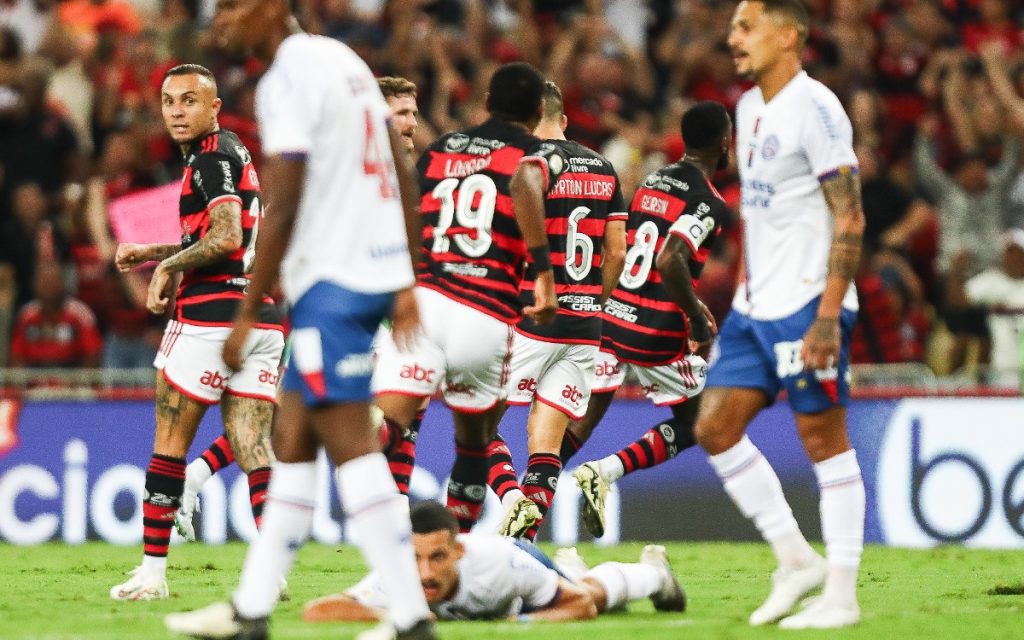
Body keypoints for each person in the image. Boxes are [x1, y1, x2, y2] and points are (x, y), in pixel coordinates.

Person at [165, 2, 434, 639]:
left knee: (352, 448)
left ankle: (412, 618)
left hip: (331, 284)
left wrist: (246, 312)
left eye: (233, 6)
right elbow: (400, 166)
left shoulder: (285, 77)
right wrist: (405, 272)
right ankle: (252, 611)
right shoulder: (344, 61)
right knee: (293, 443)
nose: (222, 20)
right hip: (367, 275)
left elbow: (281, 202)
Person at [175, 75, 425, 540]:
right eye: (400, 113)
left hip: (390, 313)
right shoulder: (347, 172)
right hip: (339, 311)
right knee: (288, 416)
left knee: (403, 418)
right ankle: (201, 480)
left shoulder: (411, 173)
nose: (410, 122)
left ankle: (399, 529)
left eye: (414, 112)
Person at [693, 0, 866, 629]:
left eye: (747, 27)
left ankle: (841, 595)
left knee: (822, 438)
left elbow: (849, 215)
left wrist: (826, 315)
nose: (732, 38)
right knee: (714, 427)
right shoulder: (747, 108)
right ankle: (796, 561)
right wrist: (739, 295)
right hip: (753, 306)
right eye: (734, 27)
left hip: (805, 305)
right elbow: (763, 217)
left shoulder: (817, 108)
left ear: (788, 35)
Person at [108, 63, 282, 602]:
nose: (177, 111)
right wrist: (156, 251)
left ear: (213, 107)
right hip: (262, 318)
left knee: (168, 450)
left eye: (189, 100)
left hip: (209, 318)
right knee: (254, 448)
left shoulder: (209, 157)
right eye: (168, 101)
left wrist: (167, 269)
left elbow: (226, 237)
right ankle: (270, 576)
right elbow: (226, 232)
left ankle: (153, 575)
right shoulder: (232, 154)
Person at [370, 61, 563, 534]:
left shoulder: (443, 148)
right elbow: (524, 182)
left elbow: (411, 213)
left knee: (386, 429)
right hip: (485, 313)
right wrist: (543, 273)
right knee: (475, 445)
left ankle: (327, 459)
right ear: (539, 109)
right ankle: (453, 556)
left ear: (485, 104)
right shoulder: (536, 152)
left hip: (428, 302)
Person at [432, 79, 626, 540]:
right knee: (546, 445)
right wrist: (594, 300)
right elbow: (617, 252)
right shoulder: (603, 167)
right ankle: (522, 546)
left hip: (528, 315)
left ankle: (511, 498)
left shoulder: (526, 165)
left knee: (479, 426)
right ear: (564, 119)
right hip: (584, 326)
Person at [559, 100, 732, 539]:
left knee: (588, 413)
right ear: (724, 143)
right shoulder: (709, 202)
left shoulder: (654, 178)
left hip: (614, 315)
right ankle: (605, 472)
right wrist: (694, 315)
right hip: (656, 329)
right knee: (695, 423)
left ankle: (527, 497)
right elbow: (671, 258)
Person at [301, 501, 684, 623]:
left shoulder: (499, 565)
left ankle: (653, 575)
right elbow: (318, 610)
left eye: (437, 557)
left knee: (588, 594)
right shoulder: (395, 576)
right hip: (505, 590)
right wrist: (395, 616)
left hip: (518, 560)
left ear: (459, 551)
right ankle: (572, 571)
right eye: (415, 558)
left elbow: (580, 606)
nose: (426, 573)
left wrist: (522, 623)